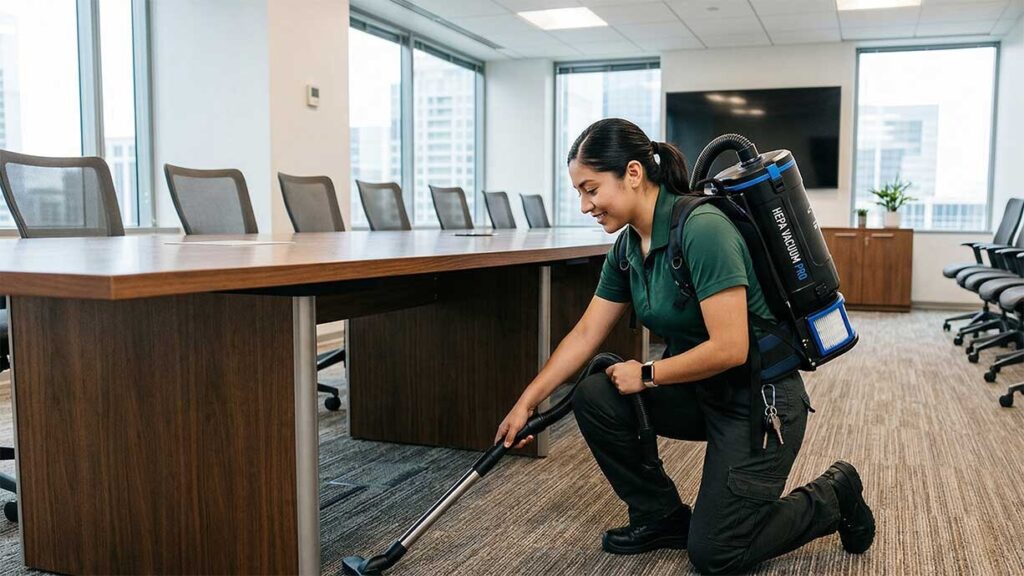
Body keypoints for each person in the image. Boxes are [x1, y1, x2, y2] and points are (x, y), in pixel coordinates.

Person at [494, 118, 875, 574]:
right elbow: (584, 335)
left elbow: (731, 348)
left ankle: (835, 493)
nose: (584, 205)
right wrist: (526, 403)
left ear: (633, 173)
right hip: (702, 391)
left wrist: (648, 374)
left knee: (717, 553)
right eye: (579, 192)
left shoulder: (702, 229)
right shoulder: (628, 247)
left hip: (757, 401)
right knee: (595, 392)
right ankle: (661, 517)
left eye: (591, 189)